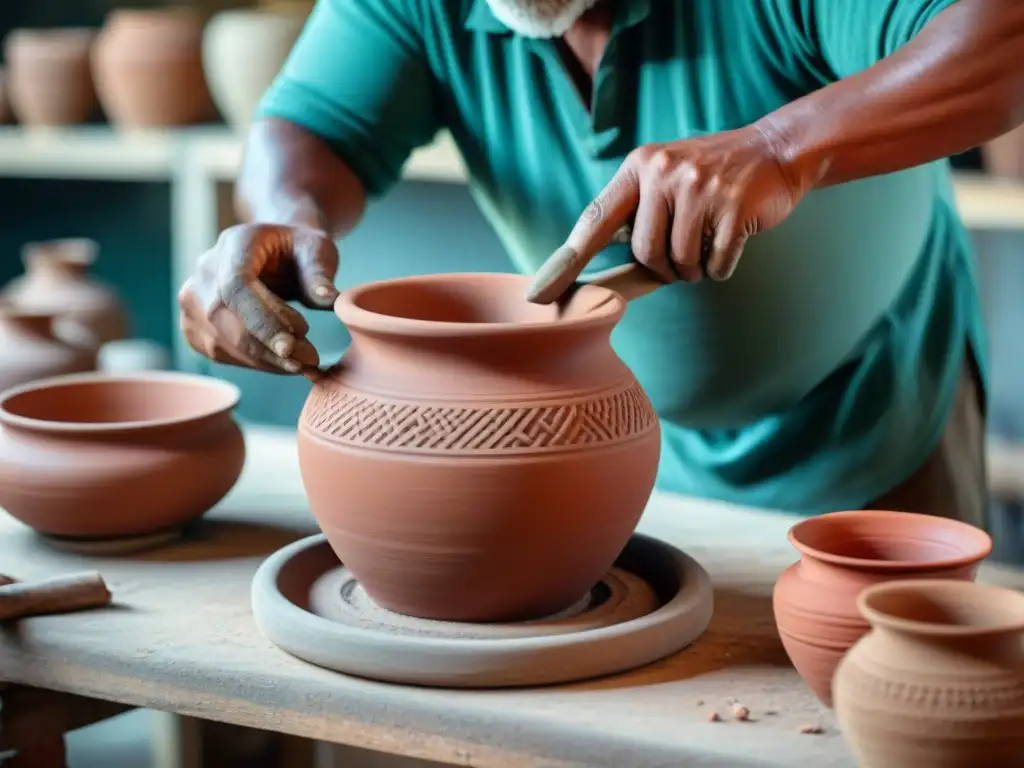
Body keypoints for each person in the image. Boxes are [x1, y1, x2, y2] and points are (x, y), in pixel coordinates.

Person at [179, 0, 1024, 526]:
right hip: (628, 448)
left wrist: (779, 145)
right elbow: (306, 128)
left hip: (877, 418)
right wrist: (278, 219)